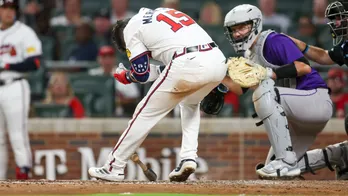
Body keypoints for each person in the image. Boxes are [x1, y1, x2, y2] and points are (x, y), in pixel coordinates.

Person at [88, 7, 227, 181]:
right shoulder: (160, 13)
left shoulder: (130, 29)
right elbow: (167, 68)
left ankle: (114, 166)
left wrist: (127, 76)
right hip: (217, 60)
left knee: (144, 112)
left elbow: (142, 74)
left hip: (187, 63)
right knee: (190, 104)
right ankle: (188, 158)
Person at [223, 4, 336, 179]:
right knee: (276, 174)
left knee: (264, 91)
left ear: (255, 24)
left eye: (242, 27)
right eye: (234, 30)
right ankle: (339, 156)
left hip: (314, 99)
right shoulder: (250, 55)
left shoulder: (273, 40)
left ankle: (286, 159)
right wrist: (219, 79)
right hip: (297, 116)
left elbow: (304, 67)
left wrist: (268, 73)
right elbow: (241, 88)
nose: (237, 33)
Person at [0, 0, 42, 179]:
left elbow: (35, 63)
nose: (9, 12)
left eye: (12, 8)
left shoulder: (24, 33)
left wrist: (8, 65)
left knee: (18, 134)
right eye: (5, 8)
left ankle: (23, 174)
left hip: (15, 86)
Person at [89, 46, 141, 117]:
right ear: (99, 59)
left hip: (119, 113)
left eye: (110, 57)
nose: (107, 60)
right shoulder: (92, 74)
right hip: (95, 113)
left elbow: (134, 97)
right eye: (104, 57)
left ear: (115, 59)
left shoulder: (123, 74)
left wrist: (116, 101)